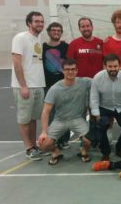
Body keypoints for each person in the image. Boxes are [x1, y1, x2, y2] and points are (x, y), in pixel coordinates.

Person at [38, 59, 93, 165]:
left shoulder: (84, 82)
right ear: (62, 71)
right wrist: (44, 131)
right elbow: (45, 111)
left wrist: (120, 71)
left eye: (73, 69)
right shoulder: (55, 89)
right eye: (67, 69)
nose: (70, 72)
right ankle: (55, 152)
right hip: (60, 120)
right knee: (43, 145)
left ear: (77, 70)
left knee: (89, 141)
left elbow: (100, 80)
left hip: (77, 119)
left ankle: (83, 151)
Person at [11, 11, 46, 161]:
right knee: (24, 118)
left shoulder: (39, 38)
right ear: (29, 23)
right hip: (25, 86)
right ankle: (28, 148)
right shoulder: (20, 38)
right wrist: (23, 86)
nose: (40, 24)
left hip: (38, 84)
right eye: (36, 21)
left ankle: (34, 146)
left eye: (41, 21)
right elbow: (16, 62)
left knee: (33, 118)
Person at [89, 53, 121, 160]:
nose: (113, 69)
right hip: (104, 107)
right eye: (110, 66)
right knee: (100, 127)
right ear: (105, 66)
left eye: (115, 66)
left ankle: (120, 149)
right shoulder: (97, 78)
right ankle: (105, 152)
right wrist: (97, 116)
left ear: (119, 66)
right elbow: (94, 98)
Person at [42, 22, 70, 149]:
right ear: (48, 32)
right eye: (53, 30)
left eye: (59, 30)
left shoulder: (66, 47)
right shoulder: (42, 47)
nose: (56, 32)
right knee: (51, 115)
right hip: (48, 86)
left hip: (63, 86)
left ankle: (64, 140)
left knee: (65, 113)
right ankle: (50, 141)